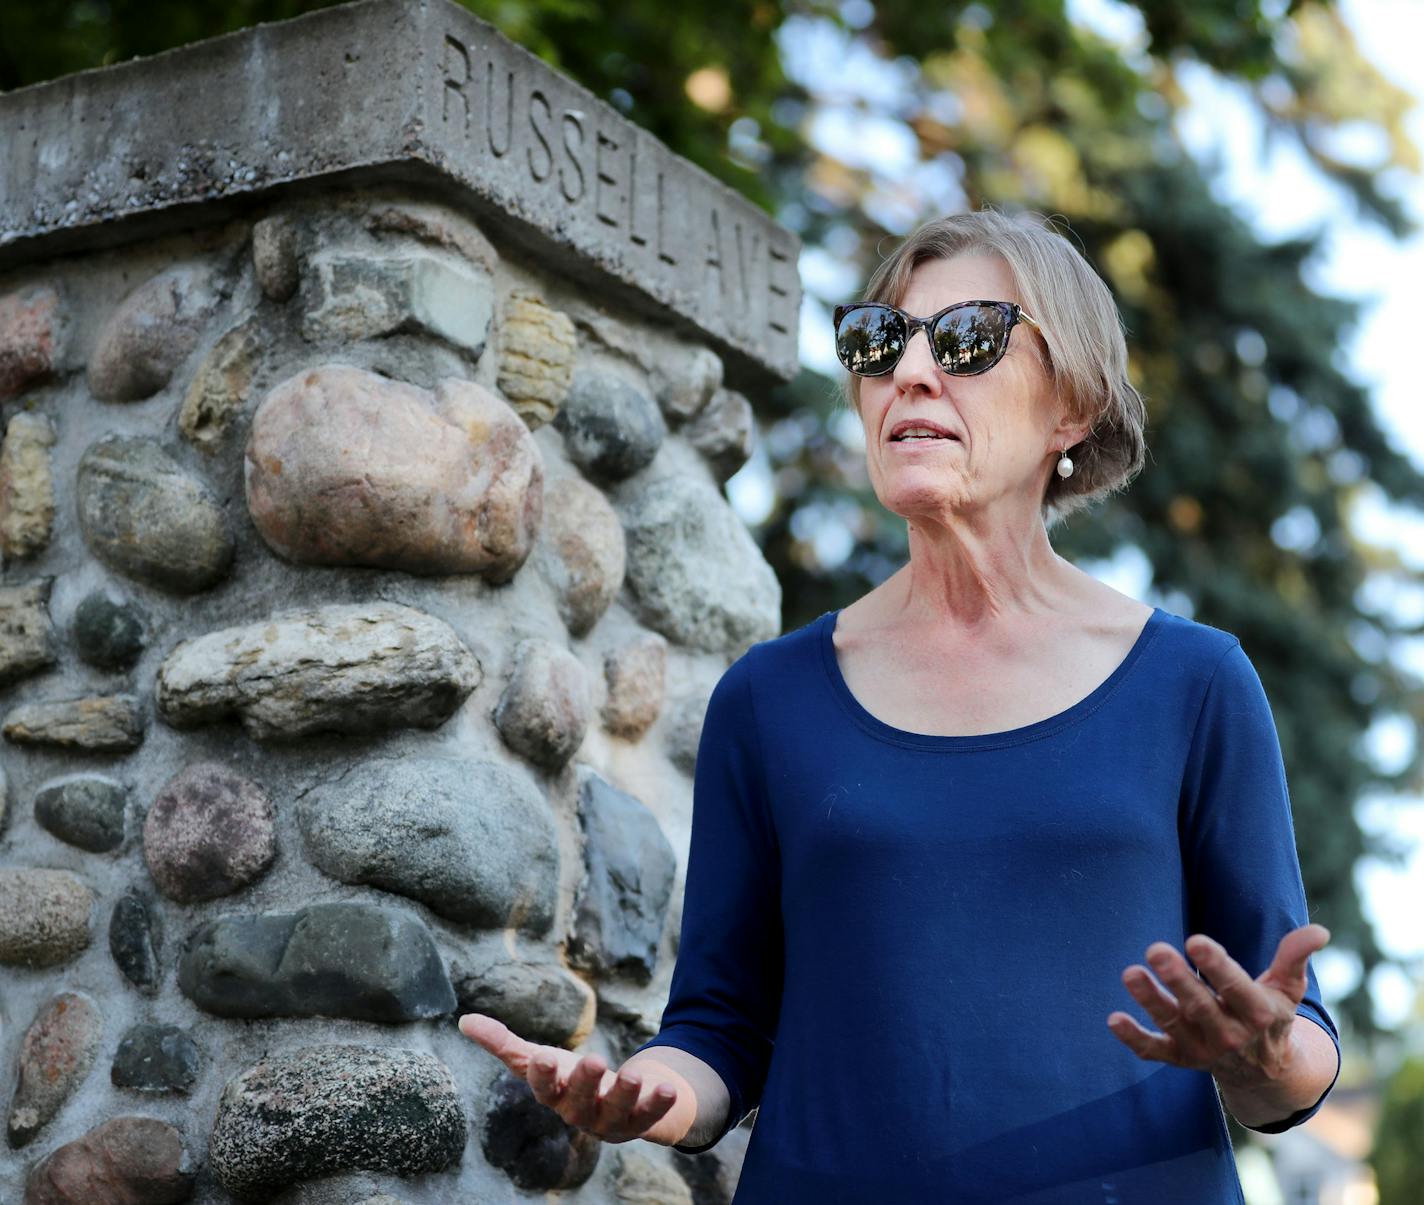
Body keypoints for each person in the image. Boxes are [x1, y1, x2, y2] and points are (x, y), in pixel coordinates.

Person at [458, 207, 1341, 1202]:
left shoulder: (1193, 683)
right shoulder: (771, 697)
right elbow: (719, 1029)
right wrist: (647, 1090)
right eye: (879, 342)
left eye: (967, 339)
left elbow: (1293, 1054)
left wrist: (1256, 1053)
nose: (909, 373)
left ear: (1074, 407)